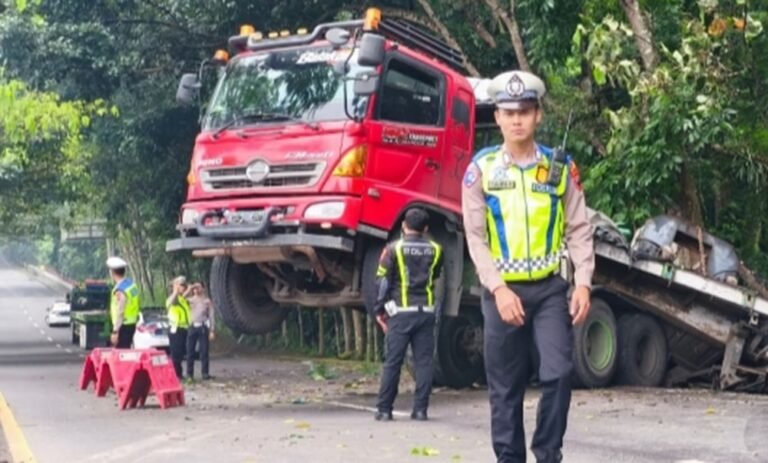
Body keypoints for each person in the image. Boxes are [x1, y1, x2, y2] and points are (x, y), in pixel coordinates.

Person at [461, 70, 595, 463]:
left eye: (525, 111)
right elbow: (475, 238)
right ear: (497, 117)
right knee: (504, 387)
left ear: (538, 115)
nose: (517, 119)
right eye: (508, 111)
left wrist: (583, 282)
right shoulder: (481, 171)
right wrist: (499, 289)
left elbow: (579, 228)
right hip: (502, 292)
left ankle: (548, 454)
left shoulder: (558, 168)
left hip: (550, 290)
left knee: (558, 374)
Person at [372, 207, 443, 422]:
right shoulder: (436, 249)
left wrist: (379, 309)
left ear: (404, 225)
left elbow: (383, 282)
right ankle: (420, 411)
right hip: (426, 313)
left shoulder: (393, 249)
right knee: (424, 363)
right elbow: (436, 277)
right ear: (426, 228)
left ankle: (385, 410)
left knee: (393, 362)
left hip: (400, 314)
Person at [106, 257, 141, 348]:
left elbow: (120, 311)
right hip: (132, 324)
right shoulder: (132, 285)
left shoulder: (120, 290)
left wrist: (115, 331)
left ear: (112, 273)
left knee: (121, 355)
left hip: (123, 326)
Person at [186, 282, 215, 380]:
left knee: (204, 351)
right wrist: (189, 289)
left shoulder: (206, 301)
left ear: (203, 288)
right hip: (192, 326)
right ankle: (189, 374)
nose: (196, 290)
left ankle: (205, 373)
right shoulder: (189, 300)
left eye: (198, 287)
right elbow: (180, 298)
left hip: (203, 327)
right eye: (195, 288)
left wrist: (212, 330)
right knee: (190, 351)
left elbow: (211, 316)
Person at [166, 276, 192, 380]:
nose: (183, 288)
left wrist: (189, 289)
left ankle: (179, 374)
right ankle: (176, 375)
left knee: (180, 353)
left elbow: (183, 296)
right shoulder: (170, 300)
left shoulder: (181, 299)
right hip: (175, 329)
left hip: (183, 329)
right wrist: (175, 290)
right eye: (181, 286)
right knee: (176, 354)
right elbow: (172, 300)